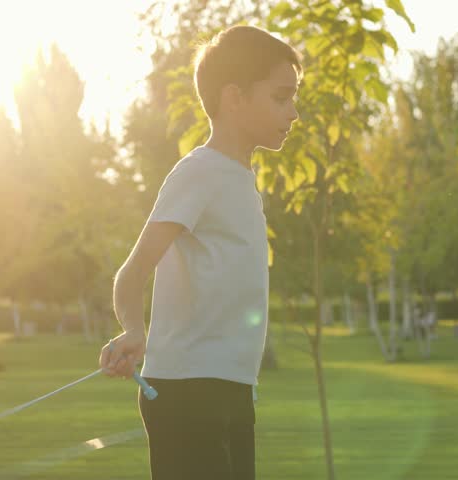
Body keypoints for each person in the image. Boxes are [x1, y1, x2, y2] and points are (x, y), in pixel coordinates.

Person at [98, 25, 303, 480]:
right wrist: (133, 329)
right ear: (234, 97)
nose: (294, 111)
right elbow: (132, 275)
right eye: (280, 96)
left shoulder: (243, 181)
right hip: (186, 393)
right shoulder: (199, 173)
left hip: (232, 390)